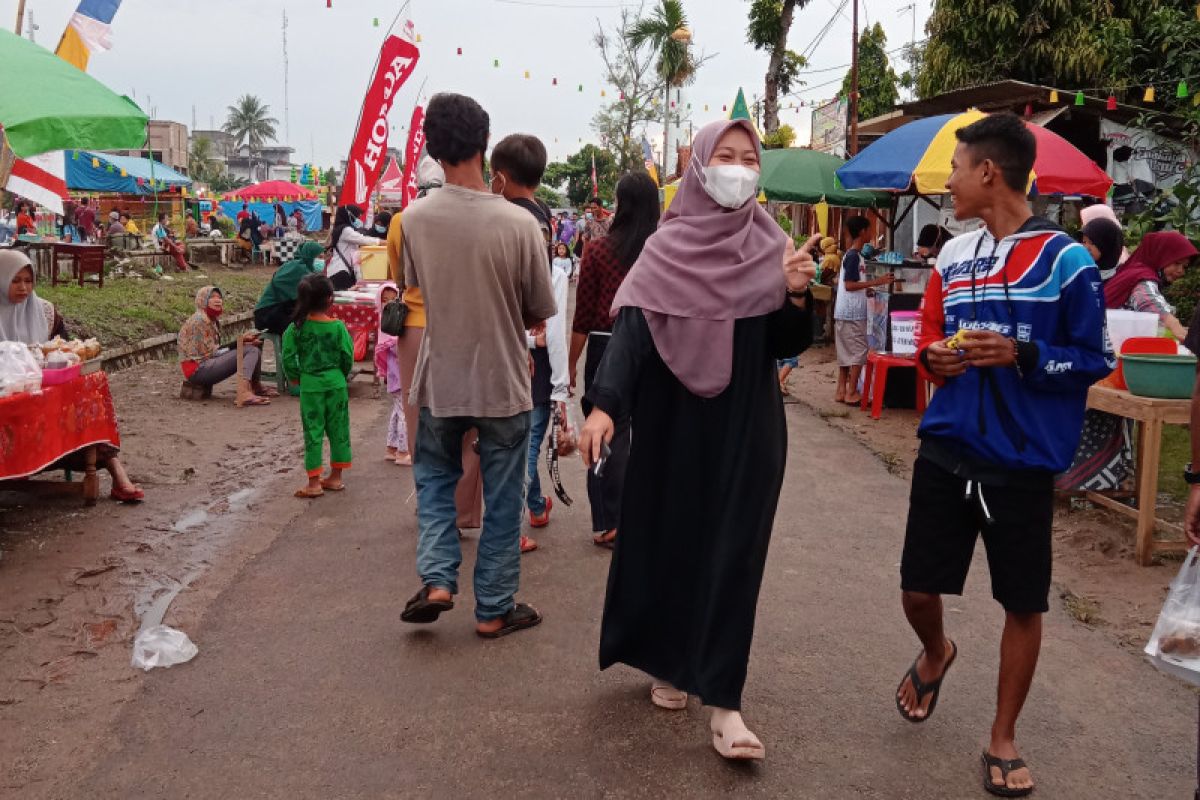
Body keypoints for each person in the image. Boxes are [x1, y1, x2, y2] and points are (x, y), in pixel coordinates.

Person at [576, 118, 815, 760]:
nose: (738, 169)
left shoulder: (772, 247)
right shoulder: (664, 249)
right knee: (672, 543)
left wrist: (795, 296)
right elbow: (632, 332)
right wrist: (604, 408)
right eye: (726, 157)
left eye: (748, 159)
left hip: (749, 428)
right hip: (673, 426)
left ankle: (726, 703)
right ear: (701, 168)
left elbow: (787, 344)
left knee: (735, 555)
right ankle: (669, 661)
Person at [894, 113, 1110, 797]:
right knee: (916, 588)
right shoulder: (953, 257)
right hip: (948, 446)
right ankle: (936, 651)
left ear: (989, 172)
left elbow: (1096, 358)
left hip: (1020, 463)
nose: (948, 182)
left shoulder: (1068, 261)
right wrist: (933, 359)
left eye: (956, 169)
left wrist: (1024, 354)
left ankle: (1003, 736)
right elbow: (928, 341)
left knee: (1022, 602)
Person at [398, 92, 556, 638]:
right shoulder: (520, 225)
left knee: (437, 480)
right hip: (503, 379)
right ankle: (493, 608)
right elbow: (537, 310)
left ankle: (439, 579)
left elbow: (417, 286)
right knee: (505, 492)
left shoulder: (414, 219)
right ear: (485, 147)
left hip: (440, 378)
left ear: (433, 149)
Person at [387, 156, 483, 530]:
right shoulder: (473, 218)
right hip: (464, 324)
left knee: (420, 420)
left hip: (415, 325)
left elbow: (398, 274)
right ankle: (459, 511)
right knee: (468, 418)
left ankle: (430, 504)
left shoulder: (402, 220)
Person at [0, 250, 143, 501]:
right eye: (15, 280)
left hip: (44, 402)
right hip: (9, 402)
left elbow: (65, 351)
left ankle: (117, 471)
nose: (24, 288)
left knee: (85, 400)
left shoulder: (44, 312)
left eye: (28, 280)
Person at [568, 171, 660, 549]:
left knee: (606, 436)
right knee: (654, 434)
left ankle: (607, 523)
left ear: (620, 205)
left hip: (606, 347)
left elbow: (584, 316)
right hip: (657, 346)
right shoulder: (662, 250)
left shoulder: (600, 250)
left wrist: (571, 364)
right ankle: (647, 518)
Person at [489, 132, 566, 553]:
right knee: (523, 435)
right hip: (533, 339)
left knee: (515, 444)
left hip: (515, 342)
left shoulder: (508, 219)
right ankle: (535, 505)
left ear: (500, 177)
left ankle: (513, 524)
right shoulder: (544, 216)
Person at [283, 274, 354, 499]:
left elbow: (287, 356)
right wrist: (339, 375)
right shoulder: (338, 328)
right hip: (336, 384)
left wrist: (296, 378)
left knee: (313, 433)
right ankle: (336, 478)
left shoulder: (296, 329)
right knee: (339, 431)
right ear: (330, 299)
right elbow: (347, 356)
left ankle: (314, 482)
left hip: (310, 385)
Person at [177, 286, 276, 407]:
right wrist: (239, 343)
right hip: (197, 369)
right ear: (202, 300)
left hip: (204, 363)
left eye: (219, 297)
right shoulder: (200, 320)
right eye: (212, 297)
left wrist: (241, 341)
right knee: (251, 350)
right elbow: (213, 353)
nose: (217, 300)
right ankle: (243, 392)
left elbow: (215, 350)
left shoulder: (210, 320)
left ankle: (255, 387)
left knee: (254, 348)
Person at [833, 215, 893, 404]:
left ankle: (841, 391)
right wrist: (877, 281)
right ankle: (851, 392)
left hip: (845, 311)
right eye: (868, 230)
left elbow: (852, 285)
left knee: (845, 353)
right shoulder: (852, 256)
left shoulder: (853, 256)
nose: (871, 233)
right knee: (858, 352)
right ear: (861, 232)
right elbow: (849, 285)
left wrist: (867, 289)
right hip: (852, 312)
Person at [1104, 231, 1197, 341]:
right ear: (1160, 255)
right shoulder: (1142, 277)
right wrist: (1174, 325)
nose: (1181, 271)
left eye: (1184, 267)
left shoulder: (1133, 271)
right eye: (1176, 263)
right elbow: (1147, 301)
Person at [373, 282, 410, 466]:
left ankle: (392, 448)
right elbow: (396, 348)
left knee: (397, 411)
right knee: (405, 413)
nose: (389, 303)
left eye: (393, 299)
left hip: (395, 377)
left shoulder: (387, 321)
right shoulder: (388, 324)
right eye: (384, 300)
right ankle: (403, 451)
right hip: (400, 376)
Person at [254, 241, 325, 336]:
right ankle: (291, 350)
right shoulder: (298, 268)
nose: (322, 261)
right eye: (319, 257)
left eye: (323, 257)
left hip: (279, 310)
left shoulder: (304, 267)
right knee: (303, 328)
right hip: (267, 313)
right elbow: (279, 283)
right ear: (310, 255)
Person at [327, 204, 374, 290]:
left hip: (342, 271)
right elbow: (363, 240)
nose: (359, 220)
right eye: (357, 217)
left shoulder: (341, 229)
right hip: (340, 273)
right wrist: (384, 242)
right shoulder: (345, 230)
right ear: (349, 215)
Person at [1079, 217, 1125, 283]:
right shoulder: (1079, 273)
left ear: (1107, 245)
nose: (1086, 247)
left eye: (1092, 243)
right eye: (1084, 242)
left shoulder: (1121, 279)